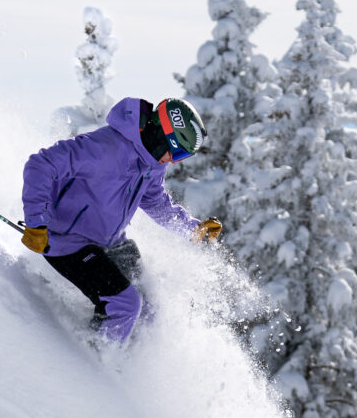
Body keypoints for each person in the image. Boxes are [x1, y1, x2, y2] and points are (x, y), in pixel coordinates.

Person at [20, 96, 223, 342]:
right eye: (176, 150)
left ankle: (125, 366)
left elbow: (156, 202)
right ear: (160, 135)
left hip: (109, 242)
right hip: (67, 242)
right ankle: (91, 363)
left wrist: (193, 230)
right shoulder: (105, 149)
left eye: (182, 156)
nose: (174, 159)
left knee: (149, 309)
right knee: (125, 305)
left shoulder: (152, 164)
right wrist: (36, 222)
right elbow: (41, 165)